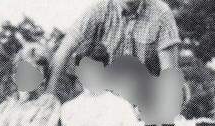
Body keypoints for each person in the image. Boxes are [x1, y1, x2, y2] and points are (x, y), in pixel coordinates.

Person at [47, 0, 181, 93]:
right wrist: (49, 93)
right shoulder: (98, 10)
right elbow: (63, 51)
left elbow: (169, 71)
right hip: (102, 94)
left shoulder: (161, 13)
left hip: (145, 96)